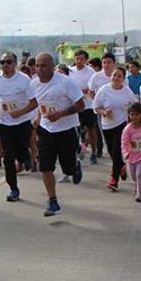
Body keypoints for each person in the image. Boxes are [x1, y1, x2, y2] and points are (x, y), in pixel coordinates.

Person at [30, 53, 84, 217]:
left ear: (52, 66)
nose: (39, 69)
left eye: (43, 65)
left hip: (67, 129)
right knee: (45, 166)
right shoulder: (33, 84)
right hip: (46, 130)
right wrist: (37, 118)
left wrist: (61, 114)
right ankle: (53, 201)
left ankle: (74, 166)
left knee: (67, 167)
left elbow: (81, 105)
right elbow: (37, 104)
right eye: (37, 66)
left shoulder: (65, 82)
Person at [0, 52, 37, 202]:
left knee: (21, 150)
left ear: (15, 64)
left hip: (22, 122)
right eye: (2, 62)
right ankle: (13, 188)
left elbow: (34, 102)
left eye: (8, 62)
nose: (5, 65)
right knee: (8, 156)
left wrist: (20, 112)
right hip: (5, 123)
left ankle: (26, 155)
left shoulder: (24, 80)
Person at [93, 66, 138, 191]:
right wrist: (104, 112)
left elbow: (135, 105)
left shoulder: (127, 91)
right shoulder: (104, 90)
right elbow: (96, 107)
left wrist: (132, 117)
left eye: (119, 76)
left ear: (123, 79)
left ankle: (114, 179)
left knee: (117, 151)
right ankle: (121, 166)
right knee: (112, 152)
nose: (116, 78)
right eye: (114, 75)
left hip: (121, 125)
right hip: (107, 125)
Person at [68, 49, 100, 168]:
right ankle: (77, 150)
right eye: (77, 58)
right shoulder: (71, 71)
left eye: (81, 59)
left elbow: (93, 88)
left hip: (88, 105)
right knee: (76, 129)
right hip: (76, 105)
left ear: (86, 60)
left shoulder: (90, 72)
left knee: (91, 129)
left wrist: (82, 91)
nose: (79, 61)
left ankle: (94, 152)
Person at [88, 53, 117, 161]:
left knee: (118, 135)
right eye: (104, 62)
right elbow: (91, 91)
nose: (106, 65)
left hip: (118, 111)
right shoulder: (96, 77)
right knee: (106, 135)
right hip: (102, 112)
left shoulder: (119, 75)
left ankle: (118, 157)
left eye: (109, 62)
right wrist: (98, 103)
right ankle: (112, 154)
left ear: (114, 63)